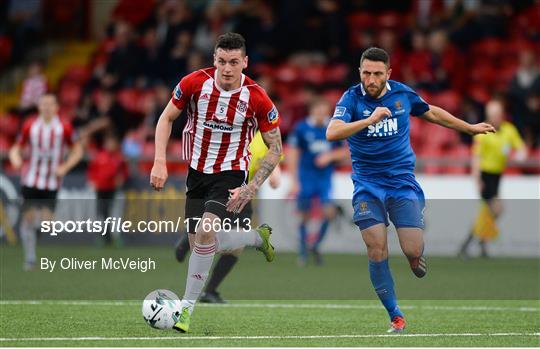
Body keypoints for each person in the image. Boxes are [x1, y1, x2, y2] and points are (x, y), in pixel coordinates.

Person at [326, 47, 495, 333]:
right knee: (376, 248)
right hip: (367, 186)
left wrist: (468, 128)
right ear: (360, 72)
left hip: (401, 183)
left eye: (377, 73)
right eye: (366, 73)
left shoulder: (402, 95)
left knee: (412, 250)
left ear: (388, 73)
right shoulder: (350, 99)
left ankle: (415, 258)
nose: (371, 79)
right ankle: (395, 315)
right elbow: (332, 132)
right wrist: (368, 121)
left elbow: (432, 113)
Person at [150, 32, 283, 333]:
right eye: (222, 61)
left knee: (207, 232)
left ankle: (185, 310)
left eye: (234, 62)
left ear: (245, 63)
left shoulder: (257, 97)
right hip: (196, 173)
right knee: (202, 243)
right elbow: (166, 118)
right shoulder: (194, 83)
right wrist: (160, 160)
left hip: (231, 173)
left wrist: (251, 187)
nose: (227, 68)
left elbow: (276, 147)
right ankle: (254, 238)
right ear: (214, 60)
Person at [174, 130, 282, 304]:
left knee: (228, 244)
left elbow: (274, 156)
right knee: (217, 243)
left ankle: (209, 289)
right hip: (230, 191)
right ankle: (206, 287)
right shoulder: (245, 136)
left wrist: (273, 174)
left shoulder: (257, 136)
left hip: (239, 193)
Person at [9, 94, 83, 270]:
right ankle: (30, 257)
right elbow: (16, 148)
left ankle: (29, 237)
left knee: (46, 223)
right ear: (39, 107)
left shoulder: (64, 126)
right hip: (30, 178)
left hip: (52, 181)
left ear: (57, 107)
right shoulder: (30, 125)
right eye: (43, 104)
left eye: (50, 104)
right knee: (28, 218)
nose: (47, 107)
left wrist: (65, 167)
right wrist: (15, 159)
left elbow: (78, 150)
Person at [458, 99, 526, 258]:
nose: (495, 117)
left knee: (487, 213)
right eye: (492, 114)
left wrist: (520, 154)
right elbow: (476, 157)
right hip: (485, 175)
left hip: (497, 176)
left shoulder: (509, 130)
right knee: (496, 209)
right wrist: (477, 179)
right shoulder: (483, 132)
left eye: (497, 114)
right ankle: (478, 241)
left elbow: (520, 147)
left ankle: (472, 243)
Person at [287, 98, 348, 266]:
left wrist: (330, 156)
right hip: (306, 177)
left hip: (324, 179)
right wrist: (294, 180)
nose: (322, 114)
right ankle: (303, 251)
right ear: (312, 111)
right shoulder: (302, 128)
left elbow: (345, 152)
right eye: (319, 111)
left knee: (329, 212)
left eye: (325, 111)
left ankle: (315, 245)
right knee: (304, 215)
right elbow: (292, 153)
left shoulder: (334, 127)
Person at [87, 132, 129, 246]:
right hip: (100, 188)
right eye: (108, 143)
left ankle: (114, 237)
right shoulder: (99, 156)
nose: (110, 145)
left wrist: (121, 178)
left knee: (112, 213)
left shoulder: (119, 157)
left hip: (112, 189)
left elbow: (124, 171)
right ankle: (104, 237)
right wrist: (92, 181)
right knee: (101, 212)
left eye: (112, 143)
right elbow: (92, 170)